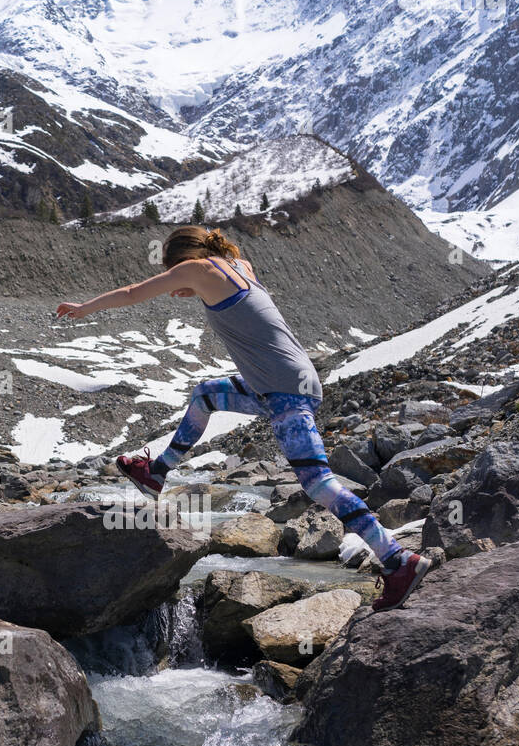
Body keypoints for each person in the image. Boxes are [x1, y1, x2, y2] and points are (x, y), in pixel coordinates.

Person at [57, 224, 430, 611]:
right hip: (278, 384)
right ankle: (157, 472)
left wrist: (85, 308)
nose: (172, 284)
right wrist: (191, 286)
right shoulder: (238, 265)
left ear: (184, 260)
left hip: (285, 390)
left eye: (172, 272)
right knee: (205, 396)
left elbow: (134, 293)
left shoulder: (198, 269)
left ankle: (399, 561)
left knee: (319, 484)